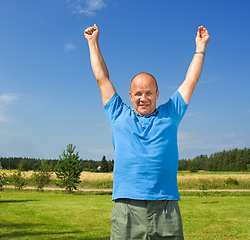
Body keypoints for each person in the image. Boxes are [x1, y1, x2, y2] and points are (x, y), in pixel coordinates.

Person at [84, 24, 210, 240]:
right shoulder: (118, 114)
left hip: (165, 207)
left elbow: (191, 81)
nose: (143, 98)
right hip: (127, 207)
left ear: (157, 94)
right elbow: (102, 78)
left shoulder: (171, 113)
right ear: (130, 95)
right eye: (138, 93)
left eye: (149, 93)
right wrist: (93, 43)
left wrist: (200, 48)